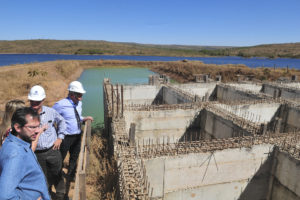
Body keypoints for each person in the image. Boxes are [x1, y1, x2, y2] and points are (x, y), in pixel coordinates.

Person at [0, 107, 50, 200]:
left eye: (38, 126)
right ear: (17, 127)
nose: (38, 131)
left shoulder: (16, 141)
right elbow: (5, 197)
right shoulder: (16, 155)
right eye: (32, 127)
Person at [28, 85, 66, 200]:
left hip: (52, 150)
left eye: (37, 102)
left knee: (57, 172)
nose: (34, 104)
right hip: (36, 153)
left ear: (43, 100)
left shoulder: (51, 112)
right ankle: (47, 194)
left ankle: (60, 194)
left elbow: (62, 121)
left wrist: (60, 137)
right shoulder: (26, 115)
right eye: (32, 101)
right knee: (41, 176)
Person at [53, 81, 93, 182]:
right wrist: (54, 135)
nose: (81, 97)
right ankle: (56, 177)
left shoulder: (79, 104)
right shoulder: (60, 105)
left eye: (81, 95)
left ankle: (71, 175)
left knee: (75, 156)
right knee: (60, 157)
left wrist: (84, 118)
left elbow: (76, 117)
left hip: (77, 135)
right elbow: (51, 118)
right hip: (65, 137)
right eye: (79, 95)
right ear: (72, 94)